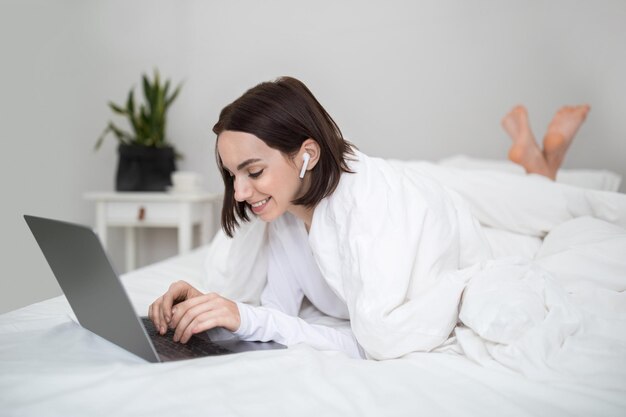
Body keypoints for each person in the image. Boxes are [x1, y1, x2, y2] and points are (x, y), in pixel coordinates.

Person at [148, 76, 620, 360]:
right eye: (232, 176)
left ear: (306, 154)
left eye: (253, 171)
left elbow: (377, 339)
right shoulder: (284, 216)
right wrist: (214, 309)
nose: (241, 192)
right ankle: (541, 162)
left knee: (555, 217)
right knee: (507, 192)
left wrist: (250, 319)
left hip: (447, 218)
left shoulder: (371, 207)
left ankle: (542, 169)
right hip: (407, 191)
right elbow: (274, 313)